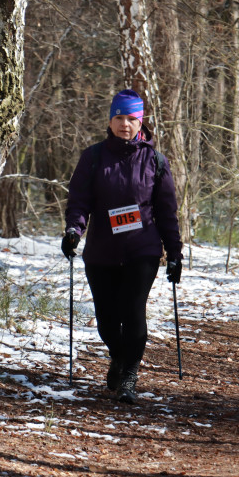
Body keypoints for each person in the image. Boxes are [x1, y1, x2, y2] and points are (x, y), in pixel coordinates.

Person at [62, 89, 183, 405]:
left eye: (131, 119)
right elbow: (79, 200)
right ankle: (118, 356)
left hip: (141, 250)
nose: (125, 124)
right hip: (101, 250)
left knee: (132, 313)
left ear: (140, 122)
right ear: (111, 120)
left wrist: (175, 252)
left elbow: (166, 211)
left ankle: (129, 374)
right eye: (119, 118)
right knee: (105, 318)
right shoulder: (93, 157)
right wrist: (74, 230)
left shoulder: (154, 160)